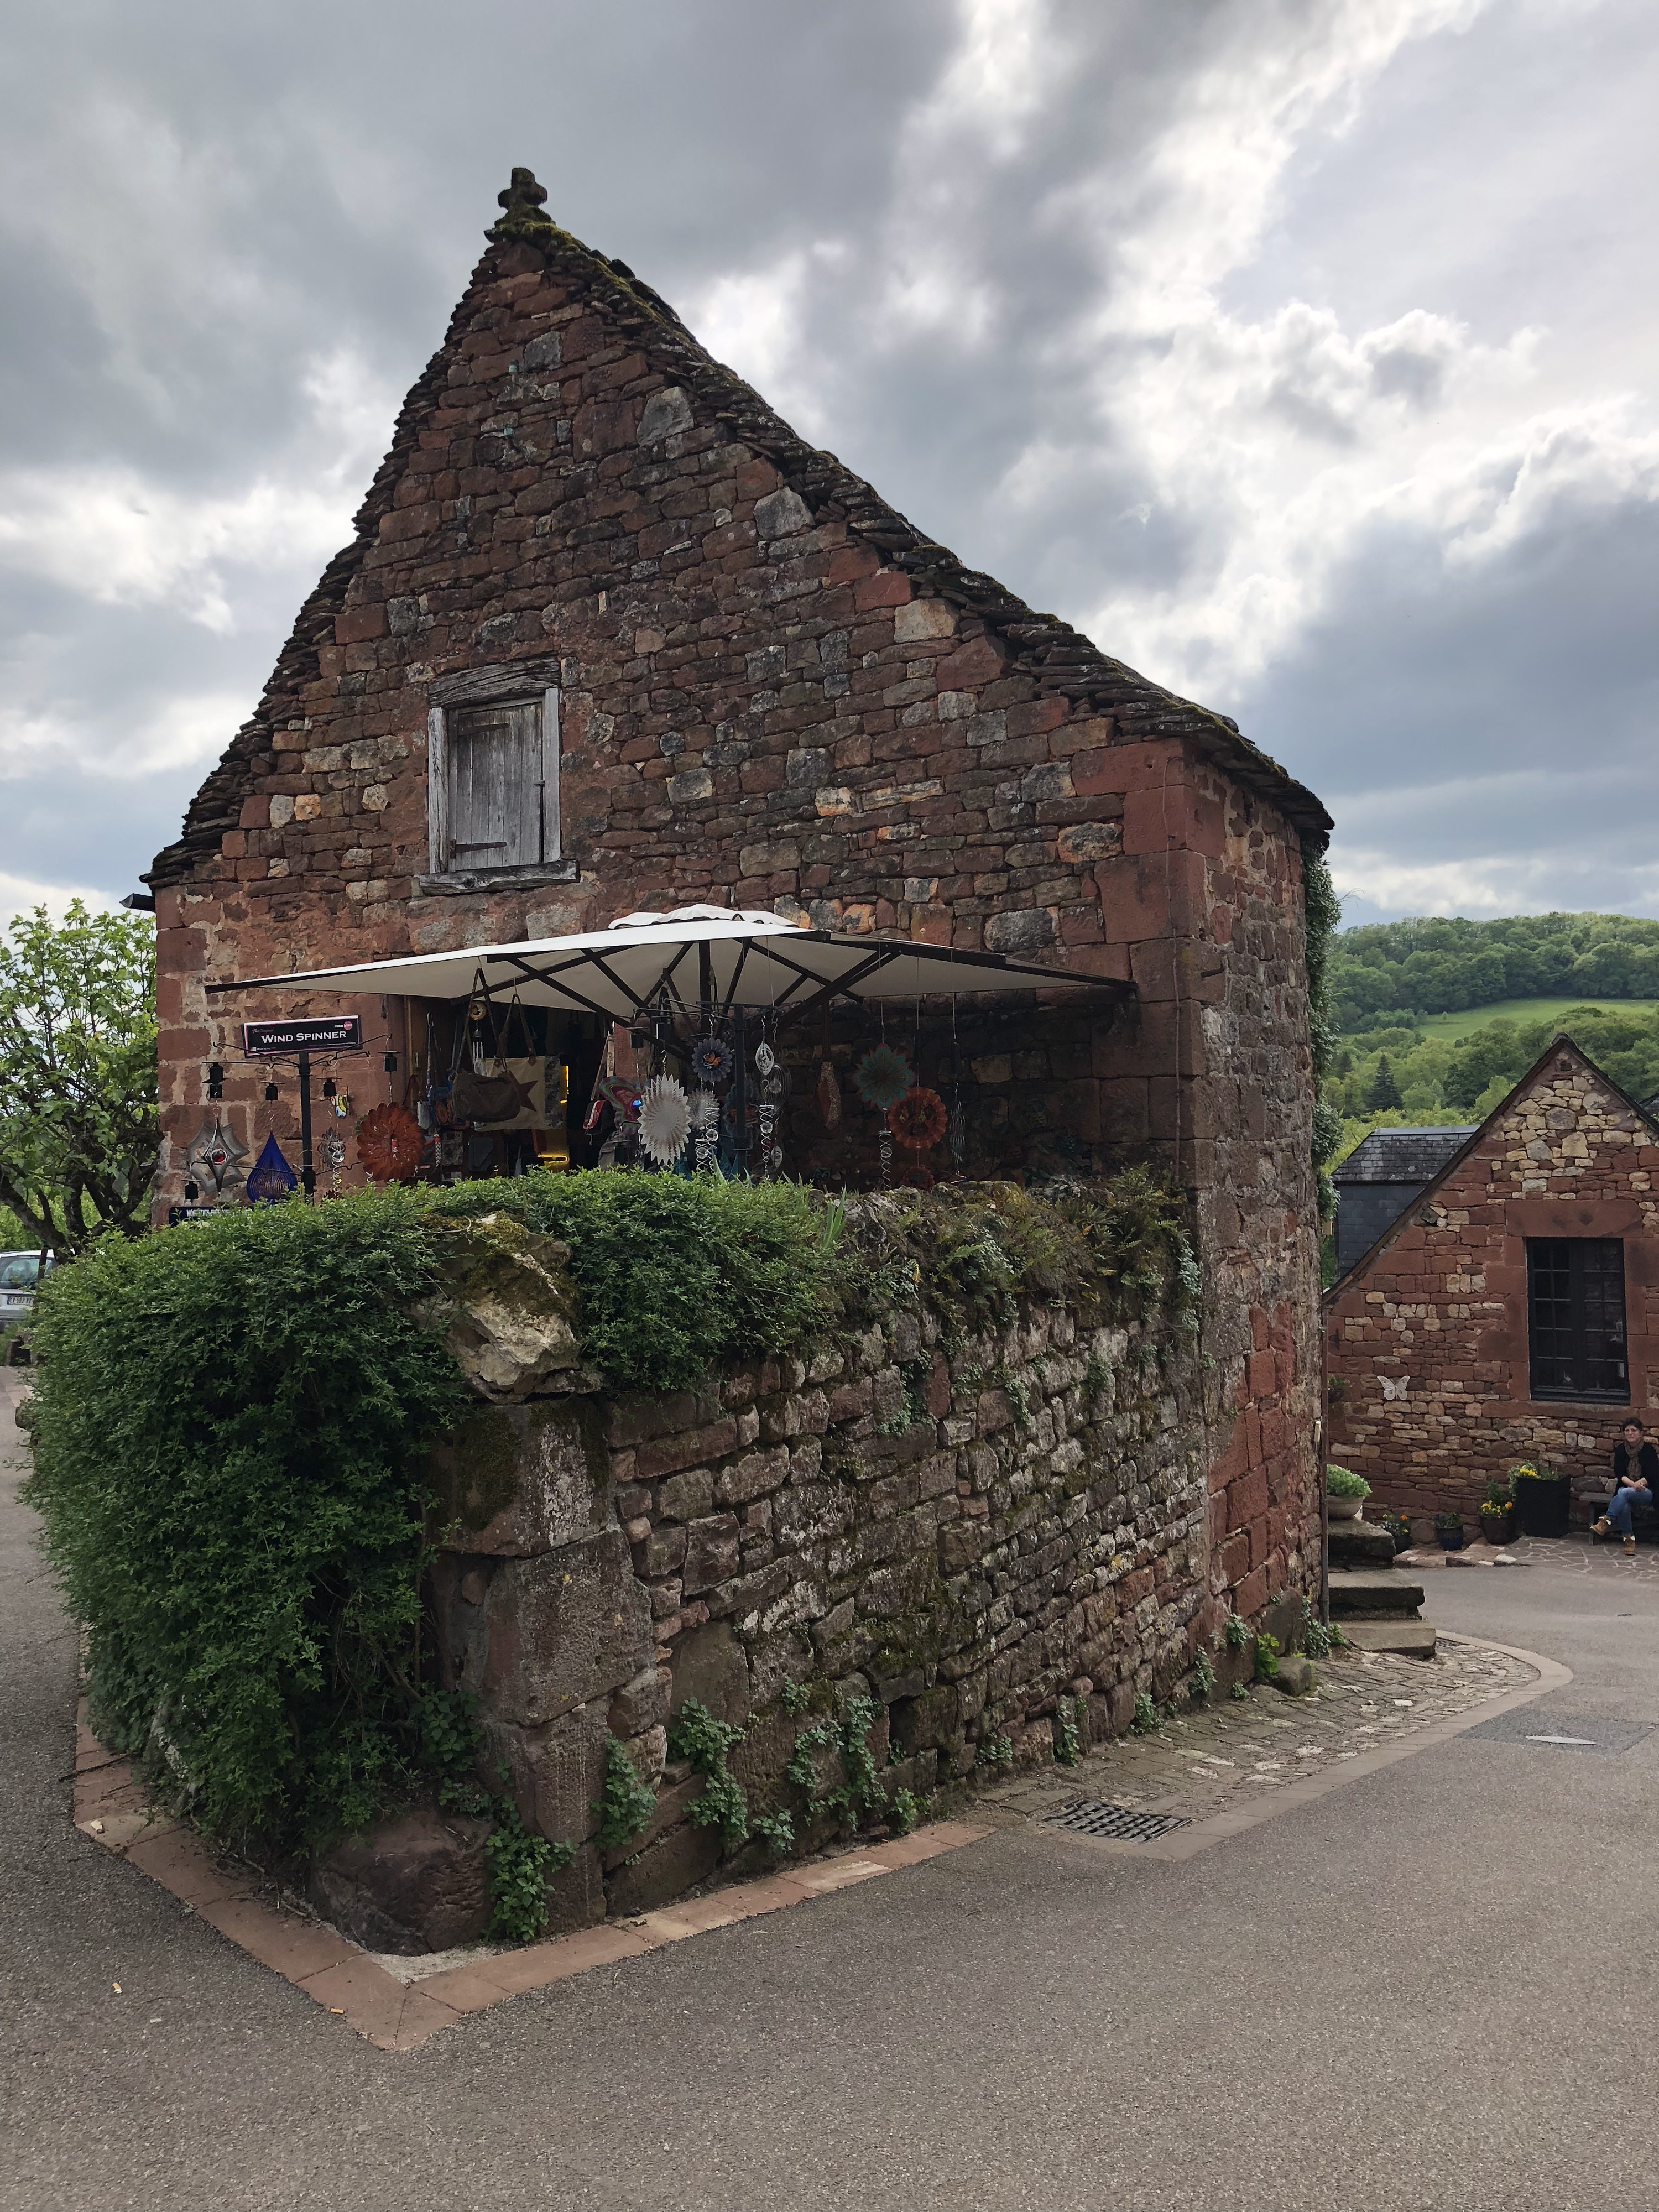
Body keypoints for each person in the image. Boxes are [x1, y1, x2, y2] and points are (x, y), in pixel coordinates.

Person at [1592, 1418, 1658, 1553]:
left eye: (1634, 1430)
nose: (1630, 1433)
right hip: (1629, 1488)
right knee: (1624, 1502)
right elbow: (1620, 1473)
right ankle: (1629, 1541)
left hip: (1647, 1491)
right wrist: (1633, 1485)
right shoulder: (1621, 1450)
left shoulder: (1648, 1450)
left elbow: (1653, 1474)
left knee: (1623, 1493)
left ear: (1640, 1433)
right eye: (1627, 1431)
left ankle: (1606, 1520)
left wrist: (1640, 1484)